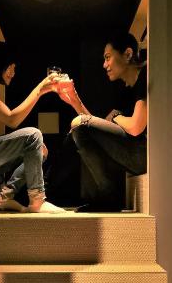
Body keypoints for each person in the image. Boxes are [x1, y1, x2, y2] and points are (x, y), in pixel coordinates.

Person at [56, 33, 147, 211]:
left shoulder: (146, 74)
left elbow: (136, 127)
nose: (104, 65)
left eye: (107, 57)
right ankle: (101, 197)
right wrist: (74, 99)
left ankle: (108, 197)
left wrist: (115, 117)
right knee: (79, 129)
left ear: (128, 54)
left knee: (80, 125)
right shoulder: (125, 89)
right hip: (135, 153)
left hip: (147, 154)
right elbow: (94, 128)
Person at [0, 41, 66, 213]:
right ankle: (37, 200)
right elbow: (11, 119)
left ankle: (6, 196)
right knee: (33, 135)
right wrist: (40, 89)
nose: (13, 73)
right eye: (10, 67)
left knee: (40, 150)